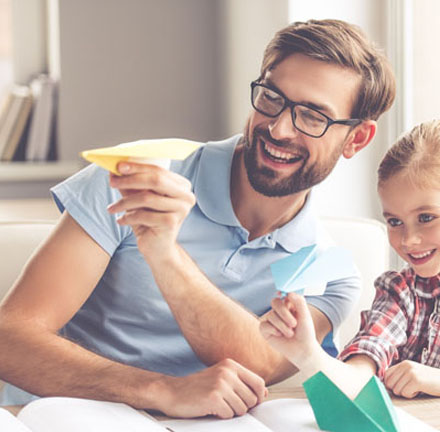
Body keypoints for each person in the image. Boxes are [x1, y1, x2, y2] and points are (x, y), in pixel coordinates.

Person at [0, 19, 395, 418]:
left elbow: (262, 361)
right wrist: (161, 390)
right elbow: (9, 340)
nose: (278, 128)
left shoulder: (330, 272)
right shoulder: (132, 178)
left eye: (312, 116)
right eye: (272, 98)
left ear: (357, 139)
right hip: (54, 418)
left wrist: (165, 255)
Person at [261, 118, 440, 400]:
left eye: (426, 217)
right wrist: (307, 353)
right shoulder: (400, 293)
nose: (408, 240)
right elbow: (359, 375)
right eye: (394, 221)